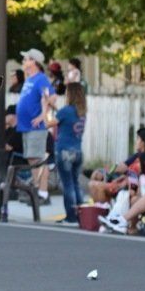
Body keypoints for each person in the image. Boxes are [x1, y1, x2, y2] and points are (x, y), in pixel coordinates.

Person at [16, 50, 55, 199]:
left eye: (26, 59)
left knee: (38, 159)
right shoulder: (29, 79)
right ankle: (37, 190)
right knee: (32, 159)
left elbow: (51, 97)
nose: (23, 61)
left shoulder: (41, 79)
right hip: (26, 126)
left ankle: (42, 193)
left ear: (34, 62)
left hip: (36, 127)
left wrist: (42, 115)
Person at [48, 82, 87, 223]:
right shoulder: (81, 112)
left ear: (70, 95)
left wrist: (44, 108)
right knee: (75, 183)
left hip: (64, 151)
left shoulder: (65, 111)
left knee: (68, 185)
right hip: (77, 151)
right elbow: (65, 118)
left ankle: (70, 216)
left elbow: (48, 123)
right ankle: (81, 215)